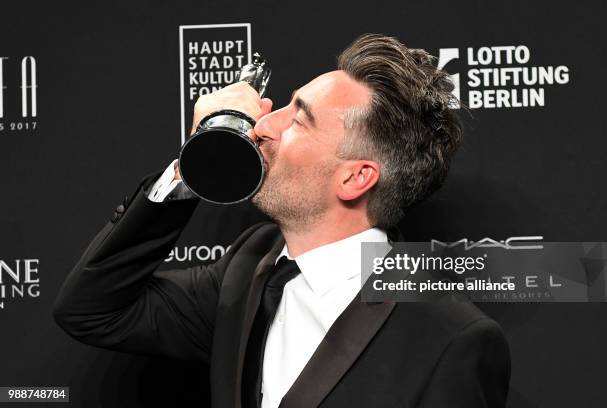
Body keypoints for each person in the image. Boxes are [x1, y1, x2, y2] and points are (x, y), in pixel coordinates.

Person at [53, 34, 510, 408]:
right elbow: (91, 310)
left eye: (300, 120)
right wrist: (200, 160)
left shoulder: (449, 340)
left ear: (355, 177)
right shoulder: (247, 270)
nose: (265, 124)